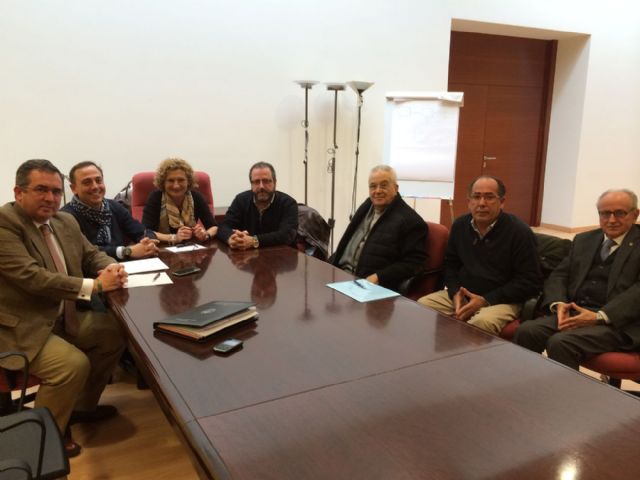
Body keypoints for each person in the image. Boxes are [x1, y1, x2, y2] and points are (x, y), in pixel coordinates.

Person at [0, 159, 128, 457]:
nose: (50, 198)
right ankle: (42, 442)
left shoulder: (64, 221)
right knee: (71, 365)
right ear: (19, 192)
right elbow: (33, 278)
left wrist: (114, 269)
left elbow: (92, 255)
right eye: (41, 190)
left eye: (57, 192)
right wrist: (95, 286)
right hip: (20, 325)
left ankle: (79, 408)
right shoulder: (5, 224)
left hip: (60, 316)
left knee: (114, 334)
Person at [515, 189, 640, 369]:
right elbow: (560, 274)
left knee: (562, 342)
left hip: (619, 323)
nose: (611, 220)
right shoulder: (585, 240)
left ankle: (566, 397)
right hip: (576, 312)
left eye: (620, 213)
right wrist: (558, 304)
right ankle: (525, 389)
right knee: (527, 331)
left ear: (635, 214)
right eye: (605, 213)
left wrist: (599, 316)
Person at [419, 175, 542, 334]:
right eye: (476, 197)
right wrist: (455, 292)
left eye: (489, 197)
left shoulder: (520, 232)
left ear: (502, 202)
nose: (482, 203)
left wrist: (486, 300)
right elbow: (450, 265)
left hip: (501, 300)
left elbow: (530, 281)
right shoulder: (460, 225)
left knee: (480, 323)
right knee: (422, 307)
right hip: (463, 295)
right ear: (469, 201)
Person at [330, 165, 427, 291]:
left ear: (396, 188)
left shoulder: (411, 221)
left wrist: (379, 276)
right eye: (373, 186)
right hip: (341, 276)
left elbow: (414, 264)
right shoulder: (367, 205)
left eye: (384, 185)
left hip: (368, 285)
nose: (377, 191)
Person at [62, 161, 159, 260]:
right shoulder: (65, 217)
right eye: (87, 182)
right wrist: (125, 251)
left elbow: (141, 231)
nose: (95, 186)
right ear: (74, 188)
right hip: (95, 273)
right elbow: (85, 252)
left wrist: (148, 242)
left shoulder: (114, 206)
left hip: (124, 268)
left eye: (98, 180)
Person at [218, 162, 298, 249]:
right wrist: (231, 238)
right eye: (256, 182)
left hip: (282, 256)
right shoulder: (240, 200)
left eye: (266, 181)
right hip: (248, 257)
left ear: (275, 182)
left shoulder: (288, 203)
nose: (261, 186)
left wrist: (254, 241)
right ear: (251, 184)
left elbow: (286, 235)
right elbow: (224, 227)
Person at [142, 157, 218, 244]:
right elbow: (146, 231)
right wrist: (174, 238)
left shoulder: (196, 197)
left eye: (181, 180)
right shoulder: (155, 198)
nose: (176, 186)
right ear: (163, 182)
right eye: (170, 180)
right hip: (162, 249)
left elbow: (214, 227)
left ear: (188, 181)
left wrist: (206, 234)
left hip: (191, 249)